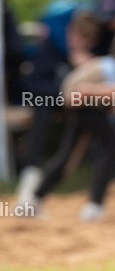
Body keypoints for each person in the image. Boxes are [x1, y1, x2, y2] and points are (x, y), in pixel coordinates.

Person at [16, 10, 103, 200]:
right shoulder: (52, 49)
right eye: (77, 38)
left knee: (98, 143)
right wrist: (66, 94)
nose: (80, 44)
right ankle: (31, 176)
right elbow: (31, 85)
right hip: (54, 100)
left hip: (88, 106)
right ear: (70, 32)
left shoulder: (96, 58)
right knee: (43, 110)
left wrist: (88, 70)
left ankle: (93, 200)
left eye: (86, 41)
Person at [19, 51, 115, 222]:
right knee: (108, 148)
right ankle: (94, 206)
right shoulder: (106, 68)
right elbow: (89, 92)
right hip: (85, 102)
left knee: (69, 156)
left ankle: (33, 200)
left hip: (85, 102)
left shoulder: (104, 65)